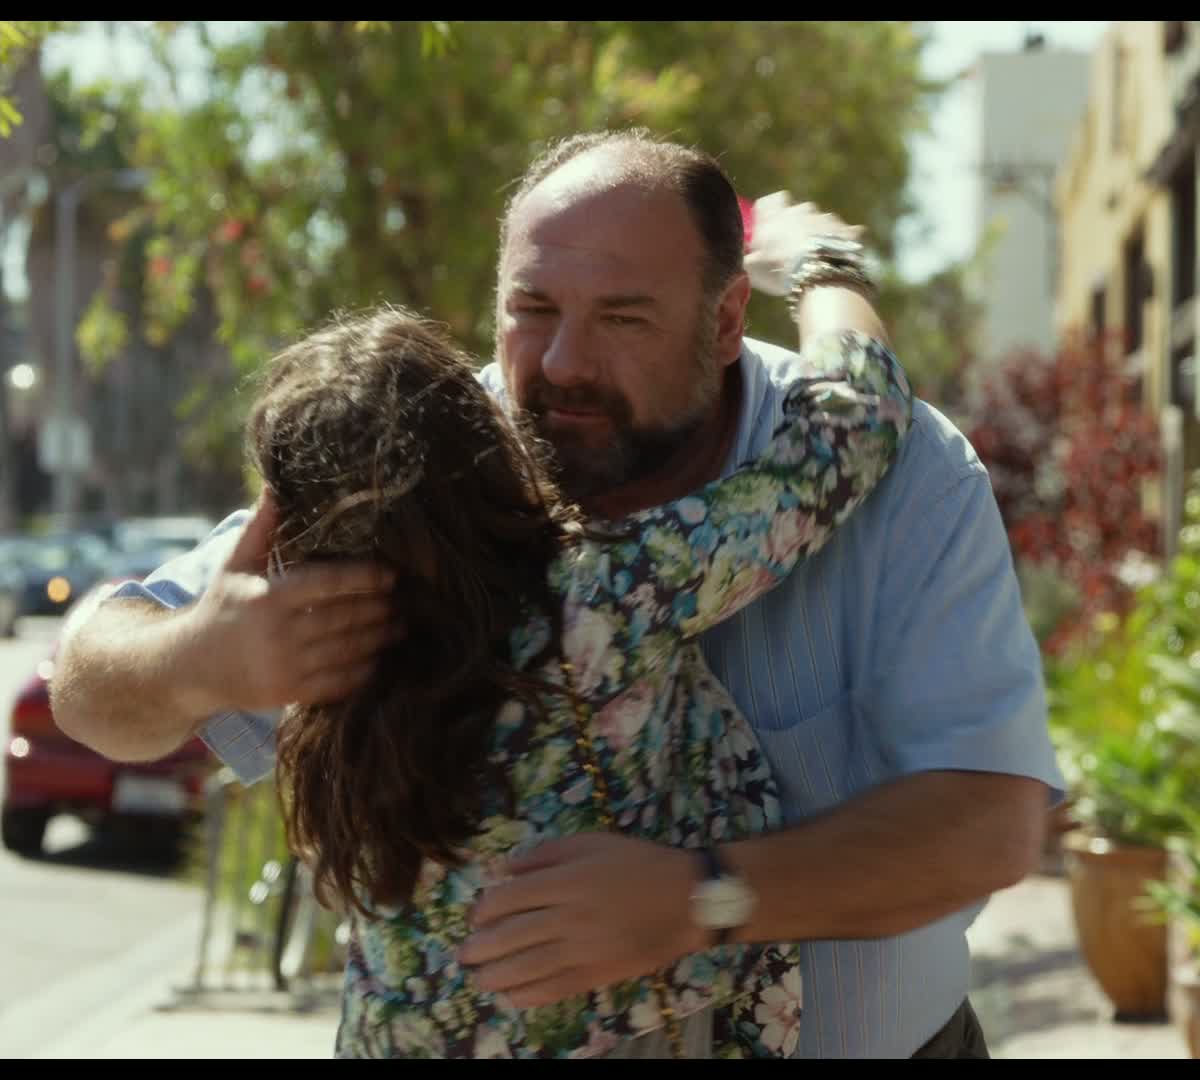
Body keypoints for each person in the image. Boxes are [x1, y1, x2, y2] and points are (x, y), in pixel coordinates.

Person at [51, 131, 1064, 1059]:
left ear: (724, 320)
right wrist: (198, 656)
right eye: (531, 312)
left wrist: (705, 896)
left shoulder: (386, 527)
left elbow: (991, 824)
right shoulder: (541, 556)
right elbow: (88, 679)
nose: (564, 363)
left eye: (621, 317)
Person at [246, 290, 910, 1058]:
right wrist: (823, 273)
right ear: (482, 442)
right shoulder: (601, 594)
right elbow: (852, 428)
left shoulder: (316, 663)